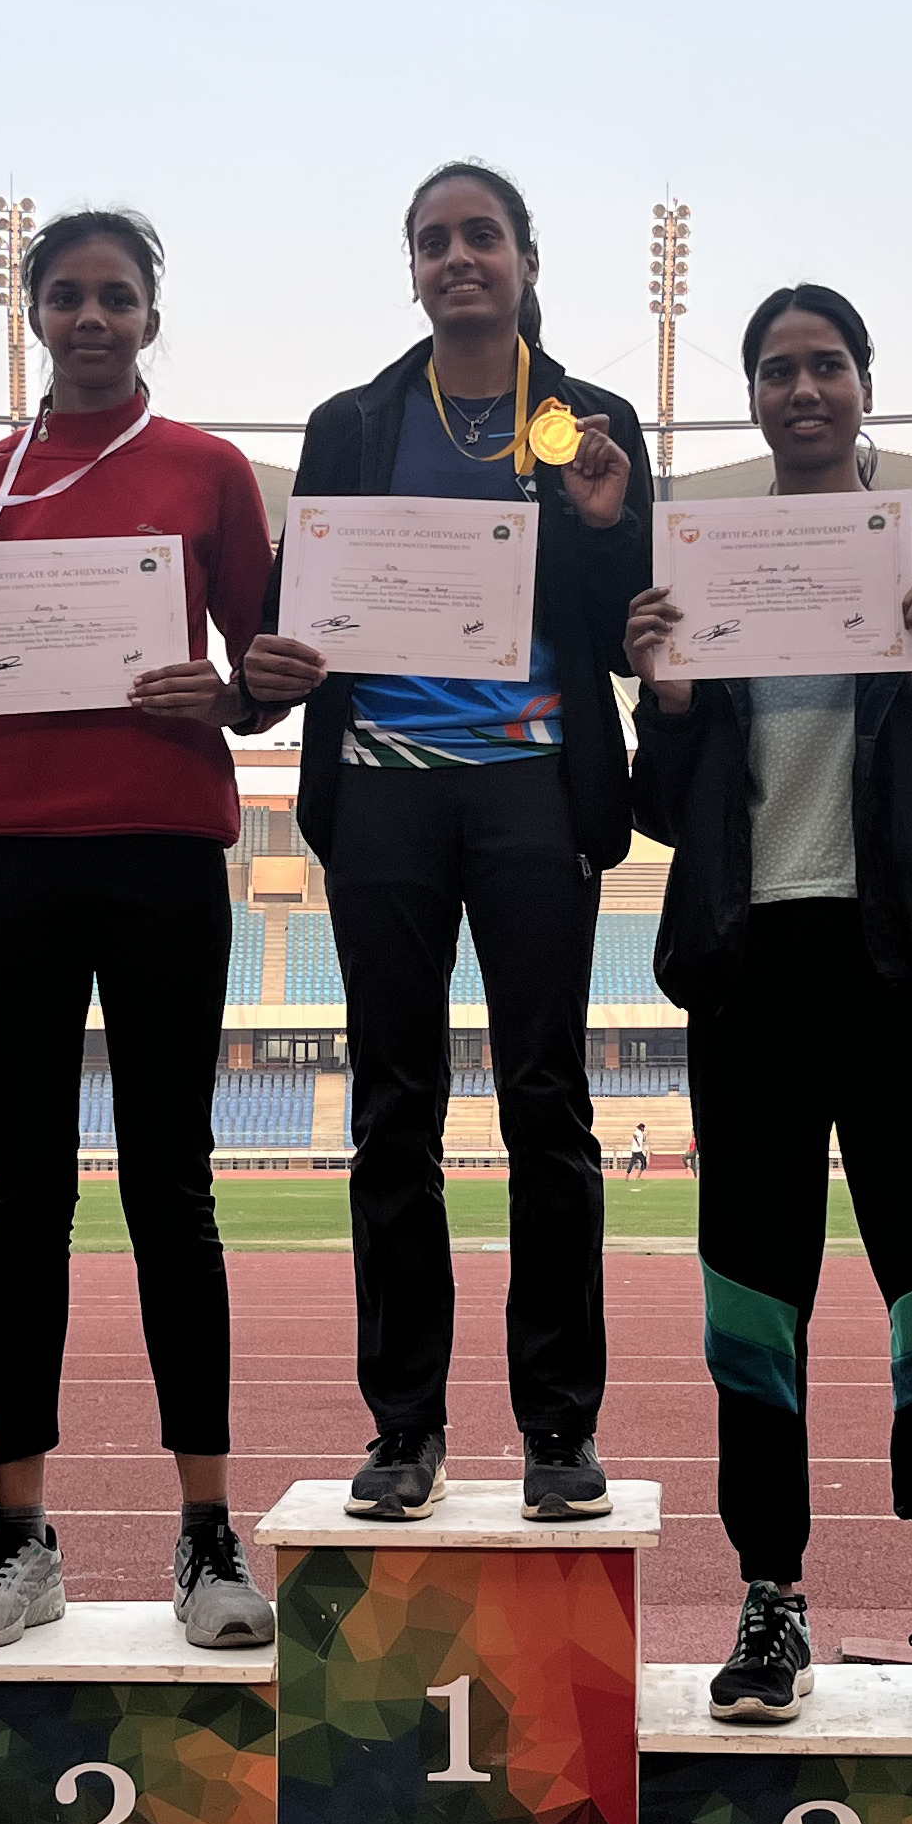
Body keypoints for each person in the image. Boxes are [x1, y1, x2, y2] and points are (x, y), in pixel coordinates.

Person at [626, 283, 912, 1731]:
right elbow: (656, 812)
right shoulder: (709, 566)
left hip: (908, 970)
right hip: (752, 974)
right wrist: (665, 701)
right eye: (777, 371)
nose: (802, 390)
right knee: (754, 1301)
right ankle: (772, 1600)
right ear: (752, 398)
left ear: (866, 385)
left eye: (825, 367)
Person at [0, 208, 278, 1654]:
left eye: (118, 296)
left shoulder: (209, 470)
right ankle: (18, 1529)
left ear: (151, 317)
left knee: (173, 1186)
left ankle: (208, 1528)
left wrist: (236, 700)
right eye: (69, 295)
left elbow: (264, 664)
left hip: (165, 855)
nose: (93, 316)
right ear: (33, 313)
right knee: (21, 1197)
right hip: (12, 861)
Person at [234, 160, 648, 1522]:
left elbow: (638, 616)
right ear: (410, 269)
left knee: (549, 1110)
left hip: (535, 787)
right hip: (386, 791)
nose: (457, 257)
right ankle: (404, 1426)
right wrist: (278, 663)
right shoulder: (351, 425)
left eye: (482, 236)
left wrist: (603, 526)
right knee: (392, 1112)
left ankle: (557, 1434)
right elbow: (303, 611)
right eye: (433, 242)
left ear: (528, 256)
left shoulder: (593, 421)